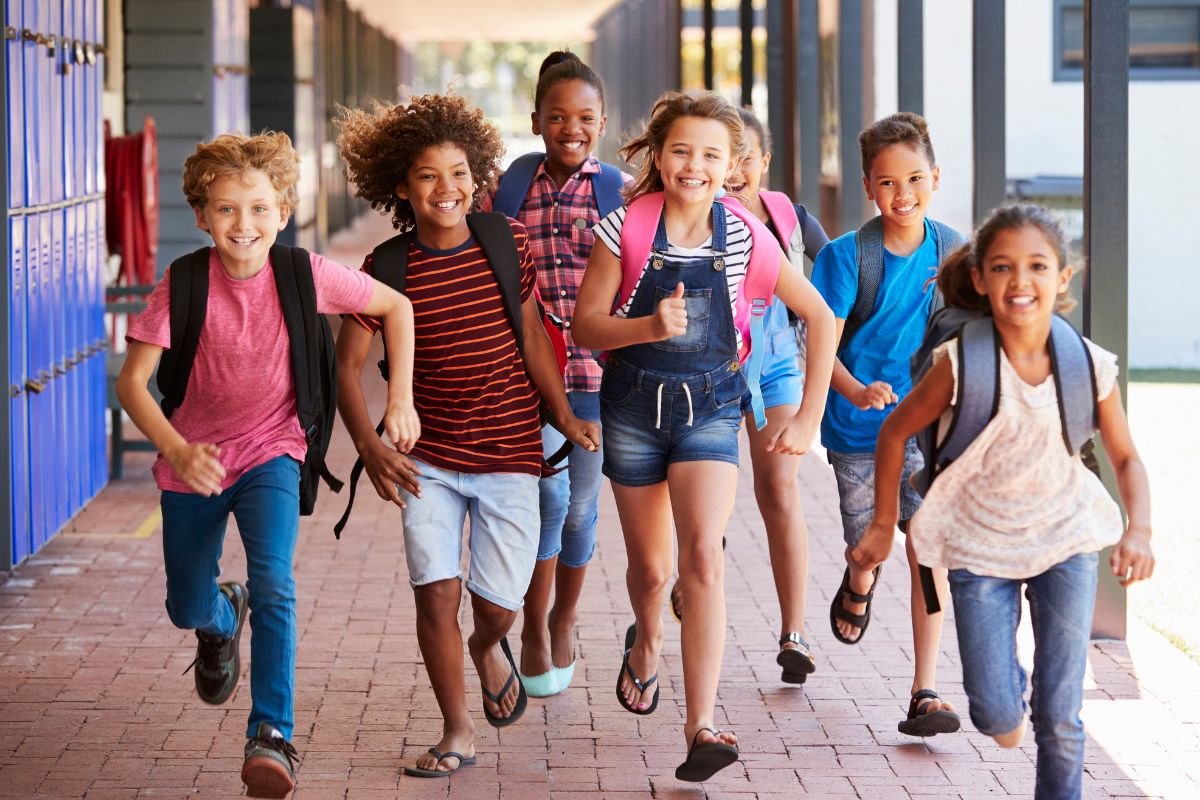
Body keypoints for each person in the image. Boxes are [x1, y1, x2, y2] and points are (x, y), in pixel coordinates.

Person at [116, 131, 418, 798]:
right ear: (201, 215)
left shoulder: (302, 273)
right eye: (225, 210)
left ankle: (272, 734)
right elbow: (132, 384)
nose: (242, 225)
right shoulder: (185, 281)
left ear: (283, 210)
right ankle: (221, 614)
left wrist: (400, 396)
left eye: (257, 209)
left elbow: (395, 307)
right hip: (193, 461)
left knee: (276, 582)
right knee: (184, 604)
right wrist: (175, 449)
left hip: (273, 449)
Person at [333, 93, 600, 778]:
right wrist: (369, 445)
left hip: (511, 449)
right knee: (435, 592)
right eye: (427, 175)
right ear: (400, 184)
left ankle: (489, 646)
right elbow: (347, 368)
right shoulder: (386, 269)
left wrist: (564, 414)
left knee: (496, 607)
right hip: (427, 458)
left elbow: (535, 334)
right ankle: (456, 731)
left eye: (457, 172)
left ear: (476, 176)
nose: (445, 188)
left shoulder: (503, 241)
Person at [572, 90, 835, 782]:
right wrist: (648, 328)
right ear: (659, 157)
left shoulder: (746, 234)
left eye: (712, 155)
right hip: (631, 410)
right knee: (653, 573)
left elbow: (822, 315)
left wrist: (808, 417)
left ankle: (702, 725)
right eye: (682, 151)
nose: (695, 165)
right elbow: (586, 327)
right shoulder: (623, 229)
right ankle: (647, 639)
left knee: (703, 561)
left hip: (713, 407)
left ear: (733, 165)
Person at [850, 202, 1154, 799]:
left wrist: (1138, 528)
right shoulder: (962, 363)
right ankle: (1005, 700)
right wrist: (884, 524)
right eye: (1004, 268)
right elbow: (894, 432)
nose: (1021, 281)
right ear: (983, 279)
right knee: (995, 713)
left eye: (1038, 266)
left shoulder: (1087, 365)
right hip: (977, 547)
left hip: (1065, 541)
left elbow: (1125, 457)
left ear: (1063, 278)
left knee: (1061, 717)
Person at [482, 51, 630, 697]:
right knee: (547, 501)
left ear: (603, 122)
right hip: (533, 376)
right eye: (559, 115)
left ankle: (567, 614)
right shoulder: (509, 189)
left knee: (580, 510)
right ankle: (536, 624)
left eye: (586, 116)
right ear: (538, 119)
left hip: (600, 380)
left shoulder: (621, 193)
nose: (573, 126)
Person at [811, 112, 963, 737]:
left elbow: (967, 337)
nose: (904, 195)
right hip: (857, 432)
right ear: (868, 188)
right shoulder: (849, 258)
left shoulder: (955, 253)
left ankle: (925, 690)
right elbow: (817, 343)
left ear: (935, 178)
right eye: (888, 183)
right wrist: (855, 389)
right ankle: (857, 578)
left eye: (916, 179)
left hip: (926, 432)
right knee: (868, 545)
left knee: (928, 553)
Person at [667, 106, 830, 685]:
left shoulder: (790, 219)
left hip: (776, 366)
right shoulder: (694, 217)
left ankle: (794, 630)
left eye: (744, 158)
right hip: (707, 367)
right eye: (721, 157)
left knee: (779, 484)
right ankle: (695, 567)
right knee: (702, 495)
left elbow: (832, 291)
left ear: (763, 161)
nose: (732, 170)